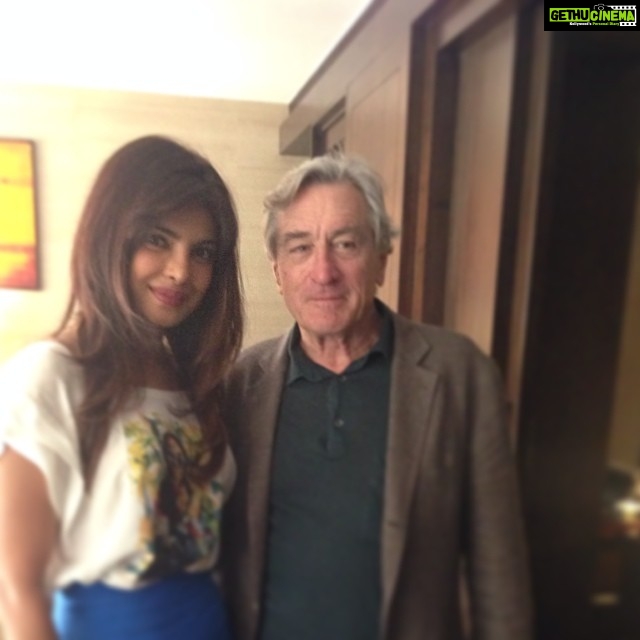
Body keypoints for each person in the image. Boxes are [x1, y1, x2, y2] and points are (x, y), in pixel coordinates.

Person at [222, 153, 533, 640]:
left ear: (382, 259)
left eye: (345, 244)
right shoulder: (241, 385)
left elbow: (499, 572)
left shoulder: (460, 374)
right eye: (300, 247)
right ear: (277, 271)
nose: (323, 271)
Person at [0, 135, 243, 640]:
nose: (181, 270)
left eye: (201, 251)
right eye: (158, 239)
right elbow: (15, 590)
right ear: (111, 236)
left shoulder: (193, 381)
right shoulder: (50, 377)